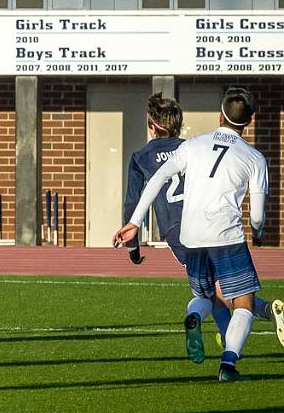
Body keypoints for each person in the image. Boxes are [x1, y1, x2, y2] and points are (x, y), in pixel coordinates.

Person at [115, 88, 284, 381]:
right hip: (226, 237)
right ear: (250, 121)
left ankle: (197, 317)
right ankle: (229, 365)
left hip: (189, 237)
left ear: (220, 114)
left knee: (206, 295)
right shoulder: (254, 158)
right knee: (242, 303)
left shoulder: (193, 145)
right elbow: (257, 215)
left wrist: (134, 222)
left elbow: (157, 179)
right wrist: (257, 230)